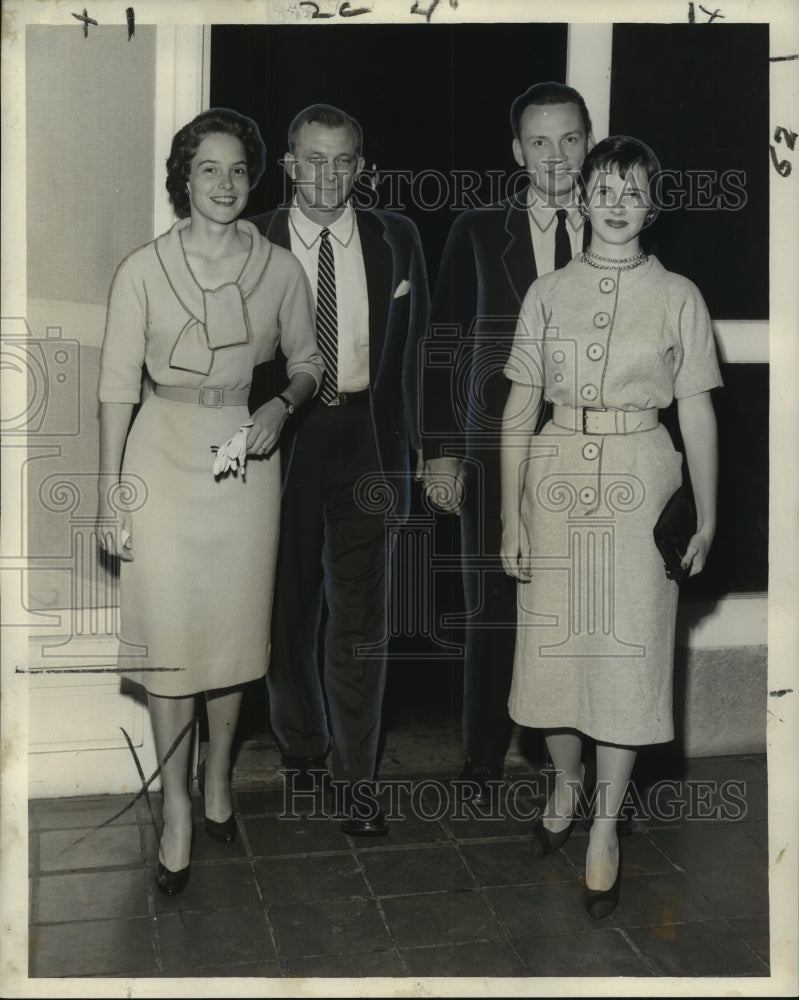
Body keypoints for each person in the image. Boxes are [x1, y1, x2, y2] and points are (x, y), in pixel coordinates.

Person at [96, 108, 324, 895]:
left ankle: (219, 772)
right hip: (159, 454)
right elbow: (116, 391)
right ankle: (177, 808)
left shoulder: (281, 270)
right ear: (183, 179)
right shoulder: (142, 270)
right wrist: (112, 495)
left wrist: (280, 407)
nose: (224, 184)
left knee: (231, 633)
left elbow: (308, 362)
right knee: (169, 637)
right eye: (207, 169)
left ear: (252, 179)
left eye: (236, 170)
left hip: (241, 460)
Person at [500, 135, 721, 917]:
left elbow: (696, 411)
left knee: (627, 654)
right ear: (581, 199)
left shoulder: (678, 295)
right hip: (554, 475)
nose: (618, 205)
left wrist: (706, 515)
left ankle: (604, 827)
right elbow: (517, 410)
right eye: (604, 189)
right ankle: (564, 782)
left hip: (641, 480)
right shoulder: (547, 292)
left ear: (652, 206)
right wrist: (508, 515)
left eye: (633, 192)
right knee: (555, 652)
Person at [249, 104, 429, 836]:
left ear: (363, 167)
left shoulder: (397, 237)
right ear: (289, 164)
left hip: (367, 438)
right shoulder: (253, 238)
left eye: (343, 160)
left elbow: (418, 350)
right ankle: (301, 746)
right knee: (286, 605)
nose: (328, 175)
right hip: (283, 438)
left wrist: (428, 447)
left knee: (362, 614)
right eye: (313, 160)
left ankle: (357, 778)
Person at [421, 82, 595, 800]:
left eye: (569, 139)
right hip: (493, 447)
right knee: (492, 604)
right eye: (538, 141)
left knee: (584, 604)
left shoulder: (618, 223)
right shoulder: (476, 229)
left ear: (588, 143)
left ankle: (579, 766)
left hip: (590, 446)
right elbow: (442, 342)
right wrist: (440, 452)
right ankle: (483, 754)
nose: (555, 156)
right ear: (516, 152)